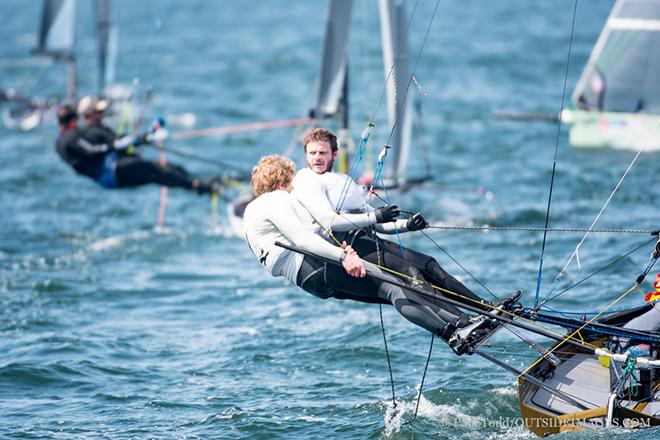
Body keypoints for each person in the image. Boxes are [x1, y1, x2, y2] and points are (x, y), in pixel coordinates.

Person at [290, 128, 522, 351]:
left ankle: (484, 310)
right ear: (306, 155)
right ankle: (463, 323)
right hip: (346, 244)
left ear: (334, 154)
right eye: (312, 153)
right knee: (411, 274)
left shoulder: (341, 179)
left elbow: (376, 222)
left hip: (367, 238)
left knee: (427, 264)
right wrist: (374, 216)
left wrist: (405, 225)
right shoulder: (307, 179)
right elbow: (328, 221)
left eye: (322, 152)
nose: (317, 158)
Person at [243, 155, 498, 355]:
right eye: (290, 185)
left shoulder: (251, 213)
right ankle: (454, 332)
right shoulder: (274, 199)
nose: (292, 190)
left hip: (311, 279)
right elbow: (302, 239)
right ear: (279, 182)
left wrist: (341, 251)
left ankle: (460, 326)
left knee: (393, 293)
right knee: (395, 288)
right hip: (313, 266)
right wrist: (344, 257)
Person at [55, 101, 219, 194]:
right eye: (99, 111)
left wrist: (138, 141)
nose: (102, 113)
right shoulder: (70, 137)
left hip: (110, 171)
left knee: (164, 171)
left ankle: (201, 185)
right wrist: (119, 145)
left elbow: (111, 145)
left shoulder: (74, 135)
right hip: (109, 172)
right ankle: (200, 186)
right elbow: (92, 151)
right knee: (156, 169)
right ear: (76, 118)